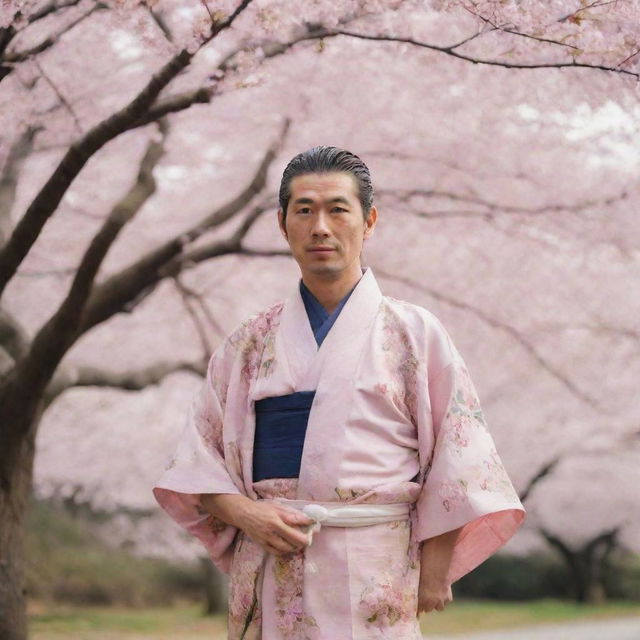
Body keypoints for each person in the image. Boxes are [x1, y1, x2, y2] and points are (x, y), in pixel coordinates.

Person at [152, 146, 525, 639]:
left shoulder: (414, 332)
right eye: (304, 210)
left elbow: (459, 456)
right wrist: (245, 513)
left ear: (369, 221)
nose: (320, 227)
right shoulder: (249, 341)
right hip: (269, 558)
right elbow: (198, 458)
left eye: (337, 210)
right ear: (282, 225)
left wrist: (434, 569)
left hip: (376, 562)